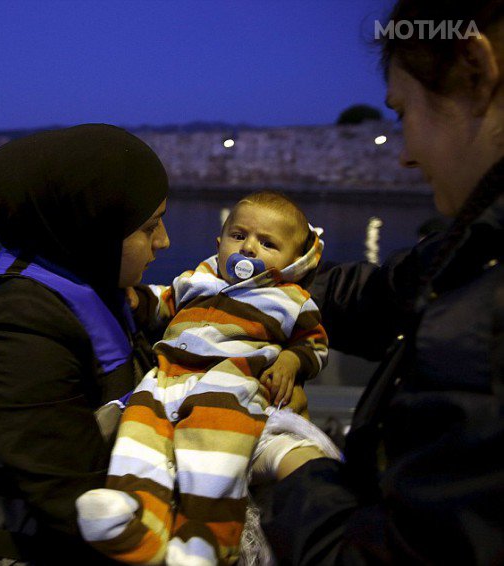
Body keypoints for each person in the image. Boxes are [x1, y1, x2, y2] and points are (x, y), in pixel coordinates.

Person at [252, 2, 504, 563]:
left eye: (404, 111)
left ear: (476, 69)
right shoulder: (476, 248)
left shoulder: (486, 325)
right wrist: (259, 283)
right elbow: (385, 292)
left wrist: (294, 459)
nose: (406, 155)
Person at [0, 124, 170, 563]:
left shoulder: (89, 282)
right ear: (88, 225)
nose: (163, 241)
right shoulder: (15, 327)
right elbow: (70, 497)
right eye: (149, 226)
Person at [77, 191, 334, 565]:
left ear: (293, 261)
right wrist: (136, 300)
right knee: (139, 437)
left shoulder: (291, 299)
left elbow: (314, 345)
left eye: (268, 243)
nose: (248, 249)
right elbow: (162, 304)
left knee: (213, 454)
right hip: (166, 376)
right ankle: (135, 522)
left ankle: (207, 540)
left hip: (231, 381)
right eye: (239, 235)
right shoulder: (196, 279)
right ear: (219, 242)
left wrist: (293, 362)